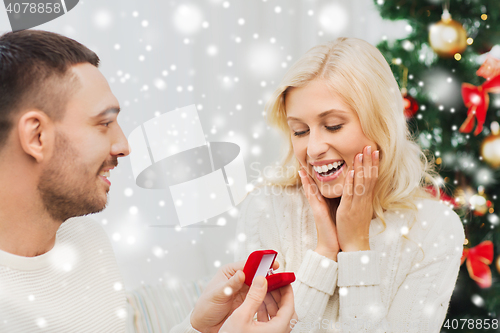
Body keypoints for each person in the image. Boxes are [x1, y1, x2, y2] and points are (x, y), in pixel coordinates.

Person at [0, 30, 295, 333]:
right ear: (36, 136)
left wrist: (200, 327)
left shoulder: (87, 240)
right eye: (104, 124)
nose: (124, 145)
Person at [234, 37, 465, 332]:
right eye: (300, 131)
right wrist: (324, 254)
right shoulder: (266, 208)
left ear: (380, 125)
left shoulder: (434, 229)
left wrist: (356, 249)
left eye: (333, 125)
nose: (313, 148)